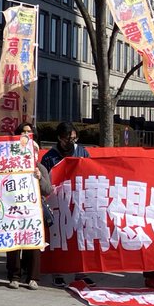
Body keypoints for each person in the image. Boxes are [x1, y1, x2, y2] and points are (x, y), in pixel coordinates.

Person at [42, 122, 93, 287]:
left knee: (79, 238)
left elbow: (90, 173)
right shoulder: (50, 157)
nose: (70, 142)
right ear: (59, 138)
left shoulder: (82, 152)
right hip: (57, 203)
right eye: (66, 139)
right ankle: (58, 272)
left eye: (73, 138)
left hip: (78, 202)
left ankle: (81, 272)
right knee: (58, 238)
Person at [6, 122, 52, 290]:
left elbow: (48, 190)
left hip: (33, 212)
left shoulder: (40, 168)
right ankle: (14, 276)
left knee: (33, 244)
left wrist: (39, 177)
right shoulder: (10, 166)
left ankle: (33, 277)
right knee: (13, 244)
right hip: (13, 210)